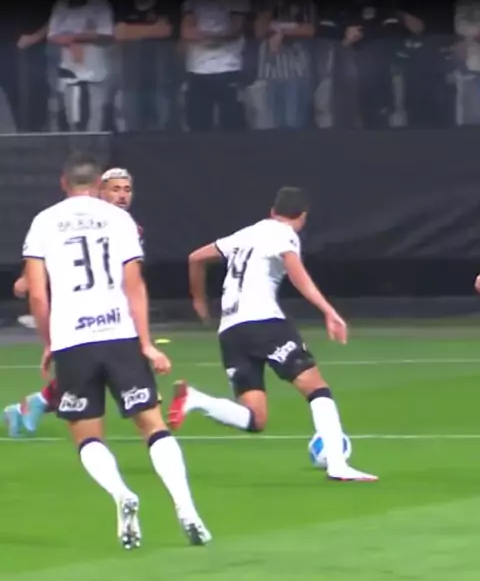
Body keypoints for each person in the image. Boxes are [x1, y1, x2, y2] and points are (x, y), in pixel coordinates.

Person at [21, 152, 211, 548]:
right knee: (153, 426)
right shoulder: (119, 219)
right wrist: (146, 343)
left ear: (63, 183)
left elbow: (37, 294)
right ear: (98, 184)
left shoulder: (43, 222)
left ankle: (121, 494)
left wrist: (49, 342)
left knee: (87, 436)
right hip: (119, 334)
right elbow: (134, 285)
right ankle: (186, 507)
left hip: (73, 340)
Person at [167, 186, 378, 482]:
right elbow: (297, 272)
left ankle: (196, 399)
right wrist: (328, 310)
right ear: (302, 217)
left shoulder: (246, 234)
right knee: (317, 389)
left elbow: (195, 258)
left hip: (230, 331)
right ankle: (337, 465)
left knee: (256, 418)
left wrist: (199, 300)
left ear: (272, 211)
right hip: (264, 323)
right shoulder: (284, 234)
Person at [4, 166, 162, 437]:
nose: (122, 195)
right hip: (82, 312)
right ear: (100, 189)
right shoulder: (72, 221)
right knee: (100, 369)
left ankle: (33, 405)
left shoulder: (123, 224)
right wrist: (27, 279)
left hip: (113, 312)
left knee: (94, 368)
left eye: (127, 189)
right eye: (115, 189)